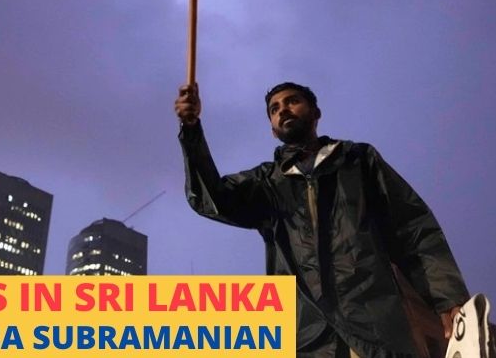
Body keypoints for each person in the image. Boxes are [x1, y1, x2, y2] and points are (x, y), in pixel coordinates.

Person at [175, 82, 469, 358]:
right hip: (307, 339)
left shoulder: (357, 161)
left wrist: (447, 298)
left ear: (315, 113)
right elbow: (209, 197)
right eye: (275, 109)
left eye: (292, 101)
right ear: (273, 130)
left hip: (374, 327)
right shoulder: (266, 184)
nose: (283, 110)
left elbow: (412, 228)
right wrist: (191, 131)